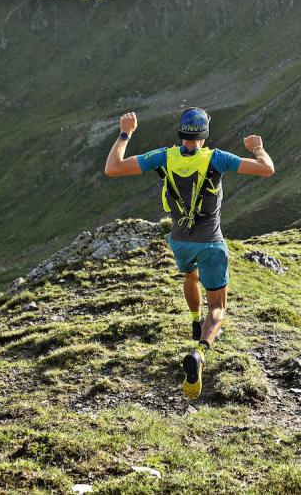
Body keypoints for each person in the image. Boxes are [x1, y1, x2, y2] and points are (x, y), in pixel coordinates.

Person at [103, 108, 275, 399]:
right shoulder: (217, 158)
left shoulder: (163, 156)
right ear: (205, 134)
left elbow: (113, 168)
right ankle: (200, 352)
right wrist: (257, 147)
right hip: (210, 241)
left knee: (190, 274)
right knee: (218, 309)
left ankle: (194, 320)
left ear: (181, 133)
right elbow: (267, 169)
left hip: (180, 241)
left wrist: (126, 133)